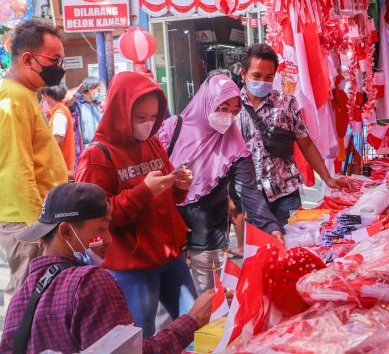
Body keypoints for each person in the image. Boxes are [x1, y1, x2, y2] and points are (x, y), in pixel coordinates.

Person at [0, 182, 215, 353]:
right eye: (101, 229)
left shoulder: (21, 296)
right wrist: (192, 320)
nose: (108, 239)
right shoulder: (89, 282)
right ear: (66, 232)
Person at [75, 71, 197, 337]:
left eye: (153, 118)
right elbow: (96, 218)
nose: (148, 124)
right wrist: (143, 191)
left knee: (196, 328)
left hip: (169, 255)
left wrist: (179, 186)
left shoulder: (152, 142)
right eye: (140, 118)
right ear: (120, 111)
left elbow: (166, 194)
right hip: (131, 266)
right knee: (139, 338)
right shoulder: (96, 155)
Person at [158, 74, 282, 293]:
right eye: (222, 107)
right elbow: (153, 174)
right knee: (172, 302)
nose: (228, 116)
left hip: (208, 234)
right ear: (208, 101)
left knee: (209, 300)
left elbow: (249, 190)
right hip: (167, 231)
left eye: (234, 110)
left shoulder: (233, 141)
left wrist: (269, 226)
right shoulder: (172, 128)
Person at [235, 44, 352, 228]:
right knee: (260, 251)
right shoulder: (232, 107)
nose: (263, 81)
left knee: (292, 247)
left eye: (269, 77)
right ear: (244, 74)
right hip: (252, 197)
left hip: (286, 192)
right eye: (256, 76)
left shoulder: (286, 103)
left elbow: (306, 145)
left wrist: (327, 178)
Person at [0, 19, 67, 313]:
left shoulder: (27, 95)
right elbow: (15, 171)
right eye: (54, 59)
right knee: (28, 305)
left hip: (36, 218)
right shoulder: (13, 98)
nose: (60, 67)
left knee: (40, 302)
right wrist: (39, 229)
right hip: (28, 223)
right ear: (28, 59)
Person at [41, 84, 76, 178]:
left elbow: (58, 141)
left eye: (42, 96)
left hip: (60, 169)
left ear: (46, 95)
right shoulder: (61, 110)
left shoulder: (59, 114)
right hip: (62, 168)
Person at [71, 76, 103, 148]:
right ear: (90, 89)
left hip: (100, 146)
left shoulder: (99, 105)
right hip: (84, 147)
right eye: (98, 90)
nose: (99, 93)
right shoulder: (77, 105)